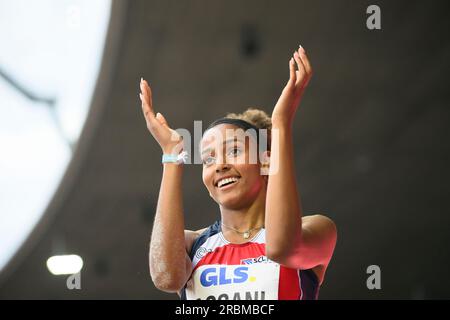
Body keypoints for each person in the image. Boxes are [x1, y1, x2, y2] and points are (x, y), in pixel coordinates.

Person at [139, 45, 337, 300]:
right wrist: (171, 156)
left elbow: (283, 248)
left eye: (233, 151)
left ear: (266, 162)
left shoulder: (316, 228)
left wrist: (281, 124)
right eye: (208, 159)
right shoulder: (192, 243)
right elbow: (166, 277)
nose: (219, 165)